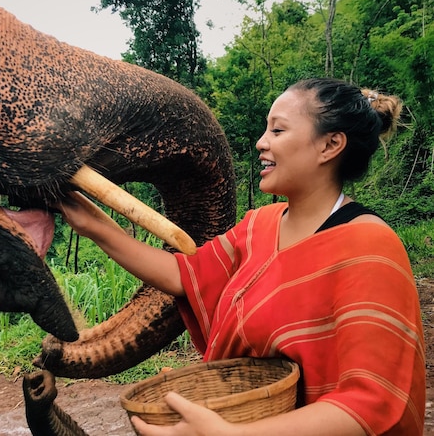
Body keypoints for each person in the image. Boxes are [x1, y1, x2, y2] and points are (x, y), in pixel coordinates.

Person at [57, 78, 425, 436]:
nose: (261, 142)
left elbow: (371, 402)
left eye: (278, 131)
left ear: (330, 145)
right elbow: (184, 276)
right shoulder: (259, 225)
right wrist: (94, 226)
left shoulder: (369, 246)